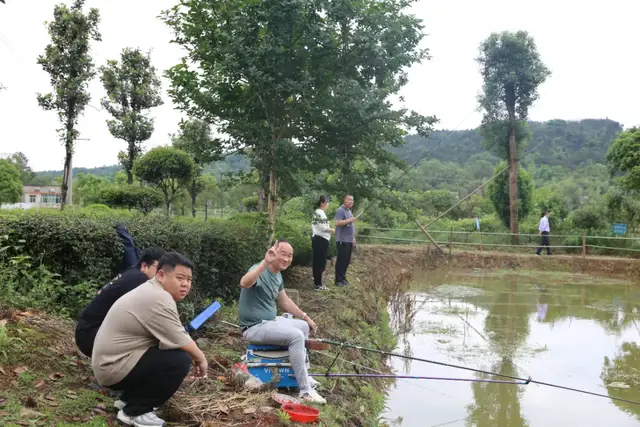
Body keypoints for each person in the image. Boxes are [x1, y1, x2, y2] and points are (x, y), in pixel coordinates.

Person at [91, 252, 208, 427]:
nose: (185, 284)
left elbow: (173, 338)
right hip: (113, 368)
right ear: (160, 275)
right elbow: (181, 339)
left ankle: (128, 401)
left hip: (112, 363)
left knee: (171, 354)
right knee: (180, 361)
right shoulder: (158, 297)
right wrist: (201, 359)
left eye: (189, 280)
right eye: (180, 278)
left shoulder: (152, 289)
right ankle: (135, 412)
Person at [238, 240, 326, 404]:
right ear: (273, 253)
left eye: (289, 256)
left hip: (269, 322)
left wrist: (306, 317)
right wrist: (265, 262)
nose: (286, 259)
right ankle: (305, 390)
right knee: (296, 336)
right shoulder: (260, 269)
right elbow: (244, 283)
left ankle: (303, 374)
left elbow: (285, 302)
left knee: (303, 326)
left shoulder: (277, 275)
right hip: (254, 326)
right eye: (283, 254)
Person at [74, 247, 166, 359]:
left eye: (165, 272)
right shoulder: (140, 280)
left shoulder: (132, 274)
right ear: (144, 266)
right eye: (158, 270)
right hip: (91, 336)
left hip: (86, 332)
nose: (161, 276)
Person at [311, 195, 334, 291]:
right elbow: (323, 227)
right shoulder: (319, 213)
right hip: (320, 239)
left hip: (320, 239)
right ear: (322, 203)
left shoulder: (319, 213)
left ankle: (318, 282)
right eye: (327, 202)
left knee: (318, 262)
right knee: (320, 262)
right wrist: (332, 230)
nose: (328, 204)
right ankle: (318, 284)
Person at [334, 194, 357, 286]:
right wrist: (350, 220)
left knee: (346, 260)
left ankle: (343, 277)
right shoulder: (340, 210)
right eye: (349, 200)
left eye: (353, 200)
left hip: (349, 240)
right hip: (342, 240)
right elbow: (338, 223)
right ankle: (338, 280)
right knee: (341, 260)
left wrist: (353, 238)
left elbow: (351, 226)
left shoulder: (349, 211)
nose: (351, 202)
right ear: (345, 200)